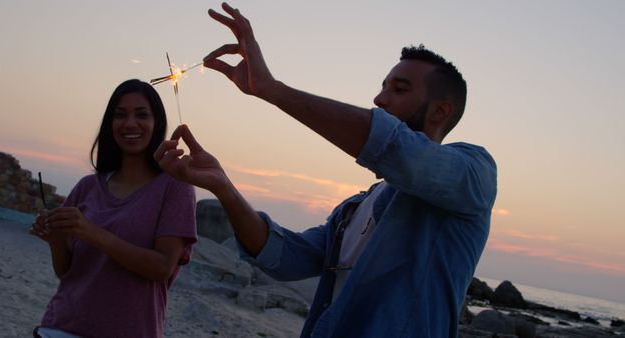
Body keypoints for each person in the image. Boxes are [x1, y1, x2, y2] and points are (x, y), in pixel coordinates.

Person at [156, 3, 497, 337]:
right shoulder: (354, 209)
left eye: (399, 89)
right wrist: (223, 187)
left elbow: (395, 147)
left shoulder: (473, 174)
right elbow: (284, 256)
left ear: (440, 112)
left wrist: (272, 90)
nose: (379, 99)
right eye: (382, 87)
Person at [30, 79, 197, 338]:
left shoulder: (175, 187)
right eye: (120, 115)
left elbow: (162, 267)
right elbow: (66, 272)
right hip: (60, 328)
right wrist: (55, 241)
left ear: (157, 124)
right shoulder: (87, 187)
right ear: (110, 124)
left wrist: (91, 232)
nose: (130, 123)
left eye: (142, 115)